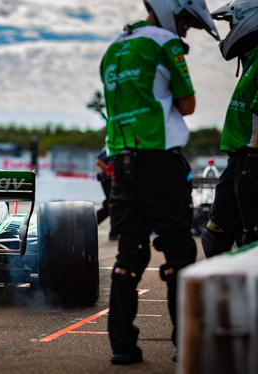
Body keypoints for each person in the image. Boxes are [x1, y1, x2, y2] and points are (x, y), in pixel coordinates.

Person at [99, 0, 219, 365]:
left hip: (121, 164)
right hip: (160, 166)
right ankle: (186, 345)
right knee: (180, 255)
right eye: (185, 24)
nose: (183, 32)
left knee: (128, 257)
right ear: (172, 12)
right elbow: (188, 105)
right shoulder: (164, 44)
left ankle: (123, 347)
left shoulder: (114, 47)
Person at [201, 0, 258, 258]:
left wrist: (254, 159)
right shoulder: (252, 57)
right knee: (215, 238)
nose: (229, 31)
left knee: (251, 240)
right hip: (237, 158)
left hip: (252, 159)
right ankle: (228, 297)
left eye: (231, 23)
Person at [95, 148, 118, 240]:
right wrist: (111, 172)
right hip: (107, 179)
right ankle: (87, 224)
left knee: (111, 204)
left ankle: (114, 232)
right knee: (112, 204)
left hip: (111, 179)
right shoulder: (111, 145)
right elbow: (99, 162)